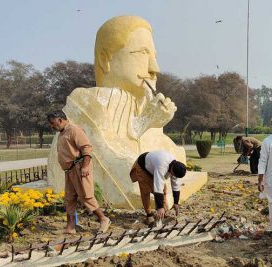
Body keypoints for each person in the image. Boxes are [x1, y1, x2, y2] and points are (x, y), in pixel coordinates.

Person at [46, 16, 191, 209]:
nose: (154, 68)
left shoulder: (140, 102)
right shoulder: (86, 101)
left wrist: (155, 124)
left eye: (154, 56)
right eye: (142, 53)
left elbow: (159, 151)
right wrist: (144, 122)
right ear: (106, 59)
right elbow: (112, 162)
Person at [47, 110, 111, 234]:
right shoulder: (62, 133)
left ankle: (104, 219)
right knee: (69, 198)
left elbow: (86, 148)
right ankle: (70, 227)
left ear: (60, 120)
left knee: (86, 196)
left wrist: (85, 167)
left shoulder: (74, 130)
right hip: (69, 170)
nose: (51, 126)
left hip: (79, 168)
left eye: (52, 123)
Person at [130, 150, 187, 225]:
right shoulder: (162, 166)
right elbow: (158, 187)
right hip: (142, 166)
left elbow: (175, 185)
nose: (173, 177)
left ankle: (162, 213)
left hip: (153, 168)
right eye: (173, 175)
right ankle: (149, 215)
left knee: (163, 190)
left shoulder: (177, 167)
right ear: (172, 170)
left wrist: (176, 203)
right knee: (146, 190)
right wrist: (160, 207)